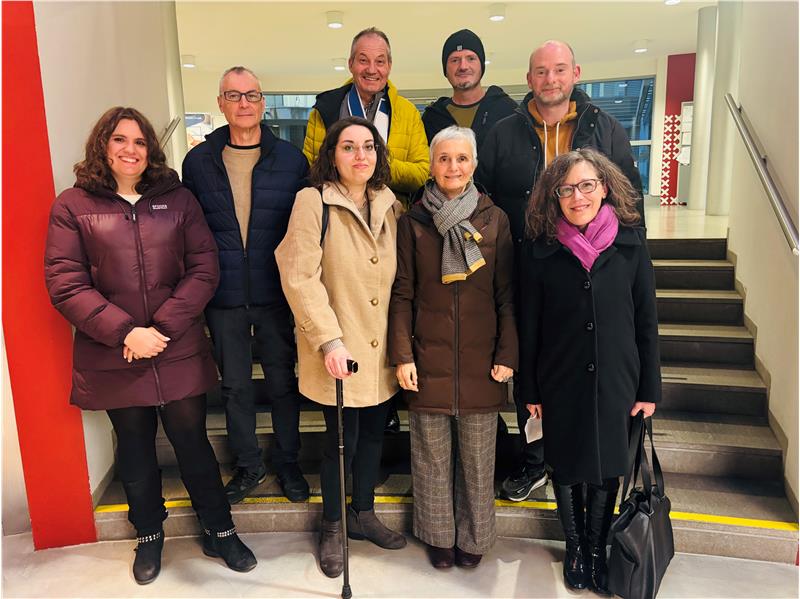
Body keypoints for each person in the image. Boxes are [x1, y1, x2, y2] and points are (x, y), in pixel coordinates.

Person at [44, 107, 256, 584]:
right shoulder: (73, 206)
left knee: (193, 442)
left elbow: (204, 268)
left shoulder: (178, 199)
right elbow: (65, 282)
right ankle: (149, 534)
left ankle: (220, 530)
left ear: (151, 150)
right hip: (114, 351)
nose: (130, 150)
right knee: (135, 448)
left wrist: (159, 329)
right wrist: (127, 333)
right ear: (102, 145)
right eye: (120, 140)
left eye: (139, 142)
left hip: (174, 344)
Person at [476, 39, 645, 503]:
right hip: (524, 266)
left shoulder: (604, 127)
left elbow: (629, 196)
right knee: (531, 360)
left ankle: (582, 458)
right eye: (541, 71)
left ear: (576, 73)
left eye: (559, 69)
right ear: (529, 79)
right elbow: (482, 196)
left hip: (588, 268)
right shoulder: (504, 133)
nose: (550, 79)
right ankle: (535, 462)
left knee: (582, 364)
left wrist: (632, 260)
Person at [518, 148, 660, 595]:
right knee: (564, 464)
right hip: (559, 376)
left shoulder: (631, 245)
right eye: (566, 190)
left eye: (586, 186)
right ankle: (576, 548)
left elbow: (646, 320)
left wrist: (649, 387)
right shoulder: (540, 251)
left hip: (618, 376)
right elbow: (529, 326)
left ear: (604, 188)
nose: (577, 197)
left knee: (607, 465)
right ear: (554, 197)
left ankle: (598, 548)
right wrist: (529, 389)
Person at [275, 116, 407, 579]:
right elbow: (298, 275)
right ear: (332, 154)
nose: (360, 155)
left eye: (368, 146)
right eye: (348, 147)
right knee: (339, 443)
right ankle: (333, 524)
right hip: (337, 346)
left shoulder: (390, 204)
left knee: (373, 436)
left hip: (380, 348)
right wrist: (328, 340)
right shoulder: (313, 201)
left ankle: (363, 512)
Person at [388, 126, 518, 569]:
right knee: (430, 457)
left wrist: (508, 354)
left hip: (483, 360)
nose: (453, 167)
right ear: (431, 165)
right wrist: (402, 355)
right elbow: (402, 294)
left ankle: (475, 538)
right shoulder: (413, 222)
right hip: (428, 356)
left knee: (479, 460)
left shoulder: (495, 220)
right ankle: (439, 536)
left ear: (474, 165)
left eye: (461, 158)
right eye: (444, 158)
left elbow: (507, 295)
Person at [182, 66, 310, 505]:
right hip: (223, 295)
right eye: (233, 95)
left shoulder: (290, 160)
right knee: (235, 387)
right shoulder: (199, 162)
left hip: (277, 292)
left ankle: (288, 461)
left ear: (263, 102)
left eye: (251, 95)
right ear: (220, 103)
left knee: (282, 382)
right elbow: (190, 231)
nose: (243, 103)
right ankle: (248, 465)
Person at [302, 27, 429, 206]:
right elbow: (310, 171)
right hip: (334, 213)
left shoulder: (409, 112)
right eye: (363, 60)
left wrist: (377, 164)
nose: (371, 69)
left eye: (380, 61)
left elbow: (422, 173)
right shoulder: (324, 109)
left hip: (390, 215)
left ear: (389, 66)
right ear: (350, 64)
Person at [422, 29, 517, 149]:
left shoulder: (508, 111)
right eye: (455, 60)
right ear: (445, 69)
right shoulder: (431, 119)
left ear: (481, 65)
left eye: (471, 58)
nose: (463, 66)